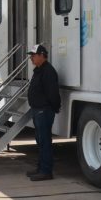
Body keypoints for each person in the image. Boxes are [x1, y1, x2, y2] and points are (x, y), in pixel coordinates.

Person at [25, 44, 61, 181]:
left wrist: (54, 107)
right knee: (40, 140)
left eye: (33, 55)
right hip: (37, 110)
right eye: (31, 56)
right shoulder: (38, 70)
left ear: (41, 55)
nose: (31, 58)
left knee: (45, 141)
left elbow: (52, 93)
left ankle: (46, 171)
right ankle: (40, 168)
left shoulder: (48, 71)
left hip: (44, 111)